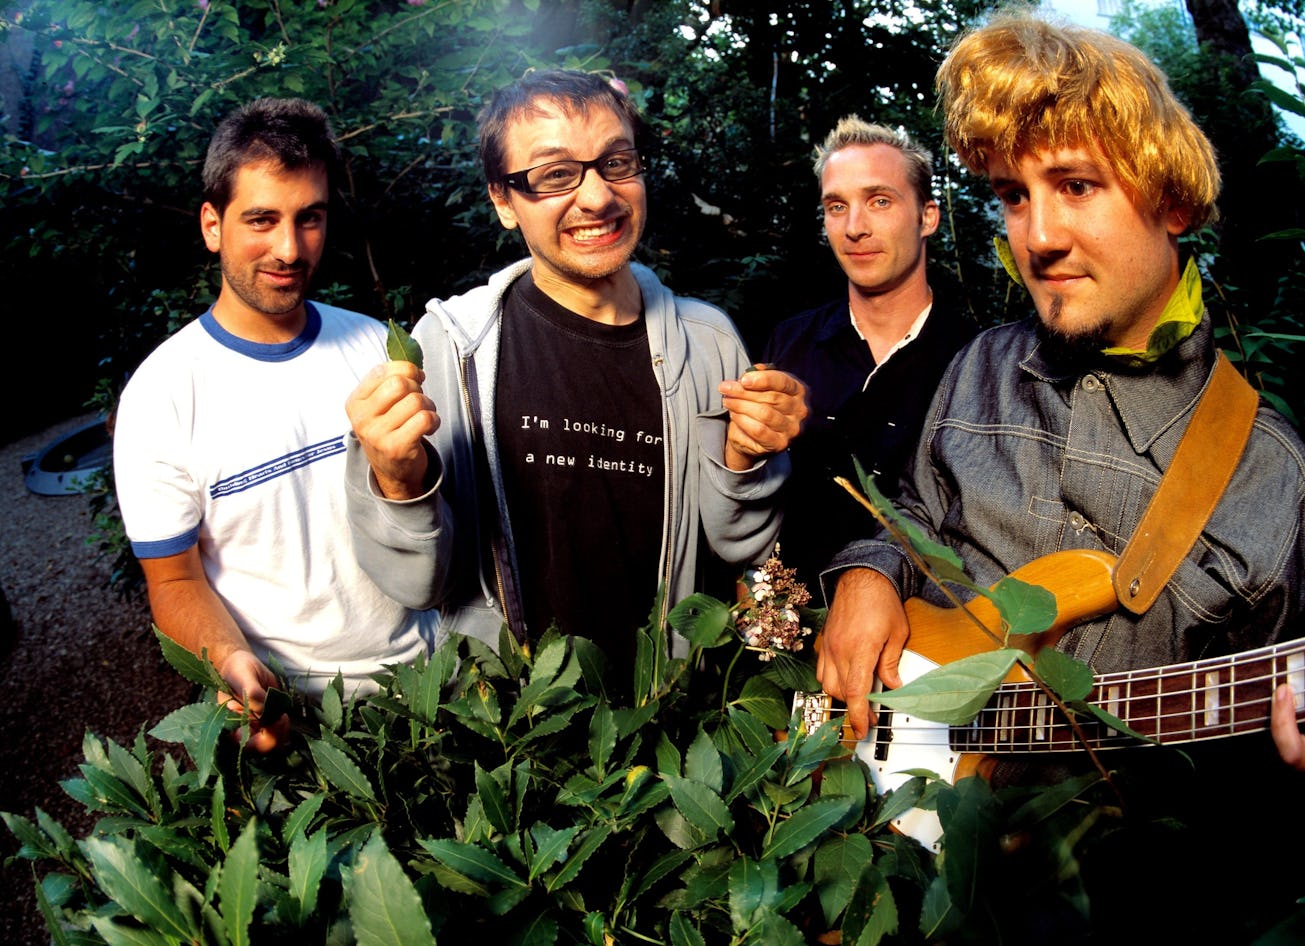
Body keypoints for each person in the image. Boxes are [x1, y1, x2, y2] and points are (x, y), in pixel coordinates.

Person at [816, 13, 1305, 746]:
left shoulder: (1273, 475)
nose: (1038, 237)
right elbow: (916, 510)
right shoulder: (980, 365)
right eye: (1015, 196)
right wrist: (871, 572)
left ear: (1172, 200)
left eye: (1076, 185)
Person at [343, 69, 806, 686]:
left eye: (616, 163)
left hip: (668, 707)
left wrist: (747, 457)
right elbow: (417, 584)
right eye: (556, 174)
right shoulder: (449, 348)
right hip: (507, 718)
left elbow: (740, 548)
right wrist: (398, 481)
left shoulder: (708, 341)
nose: (597, 197)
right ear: (503, 201)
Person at [113, 98, 438, 748]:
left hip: (432, 682)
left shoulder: (375, 348)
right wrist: (231, 665)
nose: (290, 249)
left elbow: (436, 513)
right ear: (212, 225)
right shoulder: (161, 396)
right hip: (299, 717)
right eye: (261, 219)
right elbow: (174, 578)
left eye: (309, 218)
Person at [760, 116, 977, 590]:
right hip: (792, 619)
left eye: (880, 201)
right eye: (837, 206)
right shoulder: (789, 345)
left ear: (927, 217)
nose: (854, 228)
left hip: (929, 625)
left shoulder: (977, 360)